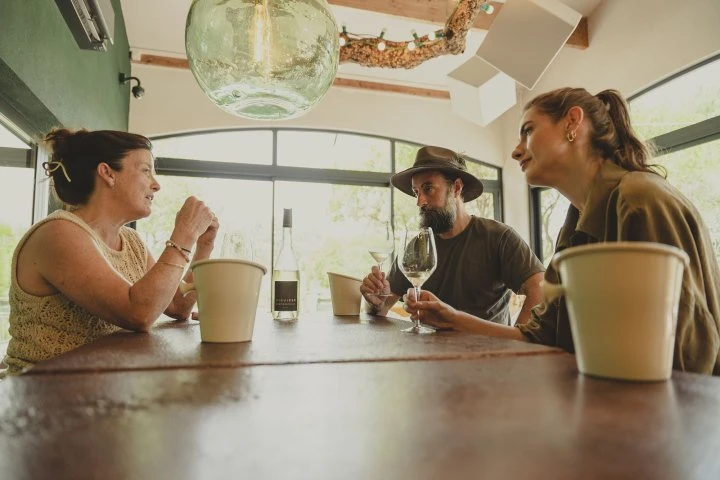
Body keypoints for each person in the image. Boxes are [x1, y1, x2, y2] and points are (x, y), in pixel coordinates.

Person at [406, 87, 720, 375]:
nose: (516, 152)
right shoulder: (573, 227)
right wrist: (453, 319)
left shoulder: (640, 198)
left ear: (573, 122)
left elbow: (689, 356)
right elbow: (539, 337)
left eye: (528, 130)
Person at [3, 128, 218, 375]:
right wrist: (184, 235)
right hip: (39, 397)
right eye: (146, 170)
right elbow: (139, 313)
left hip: (100, 392)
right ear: (107, 173)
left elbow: (179, 306)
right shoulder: (58, 233)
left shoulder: (132, 241)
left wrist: (203, 246)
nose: (156, 184)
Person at [360, 146, 545, 327]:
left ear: (456, 188)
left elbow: (540, 288)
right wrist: (376, 300)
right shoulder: (417, 246)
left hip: (487, 354)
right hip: (428, 355)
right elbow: (381, 309)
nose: (420, 201)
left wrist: (519, 342)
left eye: (428, 189)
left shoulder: (498, 237)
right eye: (416, 192)